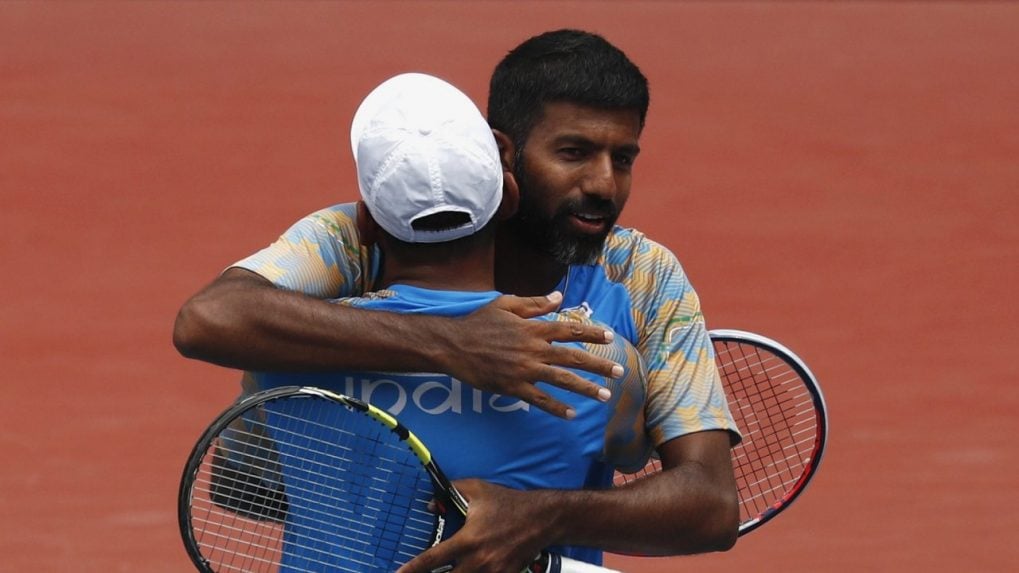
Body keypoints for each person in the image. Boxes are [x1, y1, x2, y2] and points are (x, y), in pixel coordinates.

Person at [174, 28, 741, 569]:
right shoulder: (606, 367)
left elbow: (711, 502)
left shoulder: (642, 276)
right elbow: (210, 319)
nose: (603, 184)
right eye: (573, 152)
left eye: (623, 158)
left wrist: (538, 516)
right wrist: (451, 344)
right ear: (503, 157)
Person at [252, 72, 653, 571]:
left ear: (367, 223)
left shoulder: (280, 356)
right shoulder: (603, 362)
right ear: (507, 200)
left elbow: (242, 486)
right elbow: (634, 458)